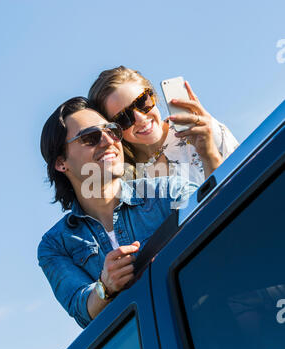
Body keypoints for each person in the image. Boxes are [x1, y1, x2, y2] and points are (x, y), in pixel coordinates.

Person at [38, 96, 198, 329]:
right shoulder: (55, 245)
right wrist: (105, 286)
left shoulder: (170, 193)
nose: (108, 141)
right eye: (90, 137)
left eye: (112, 131)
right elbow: (82, 311)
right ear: (61, 162)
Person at [88, 66, 239, 184]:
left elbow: (243, 187)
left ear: (153, 96)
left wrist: (209, 154)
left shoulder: (203, 131)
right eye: (123, 118)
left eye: (142, 102)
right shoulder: (122, 176)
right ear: (112, 130)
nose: (140, 118)